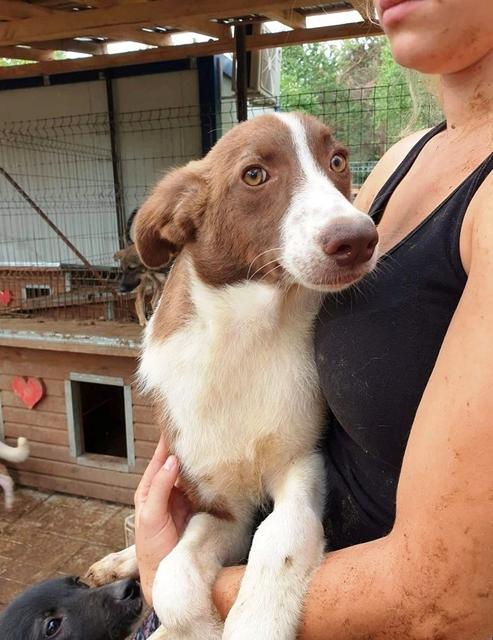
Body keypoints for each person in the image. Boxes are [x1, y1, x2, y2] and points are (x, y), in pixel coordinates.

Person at [133, 0, 493, 637]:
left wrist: (189, 585)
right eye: (257, 174)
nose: (348, 219)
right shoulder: (403, 161)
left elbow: (443, 596)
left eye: (332, 165)